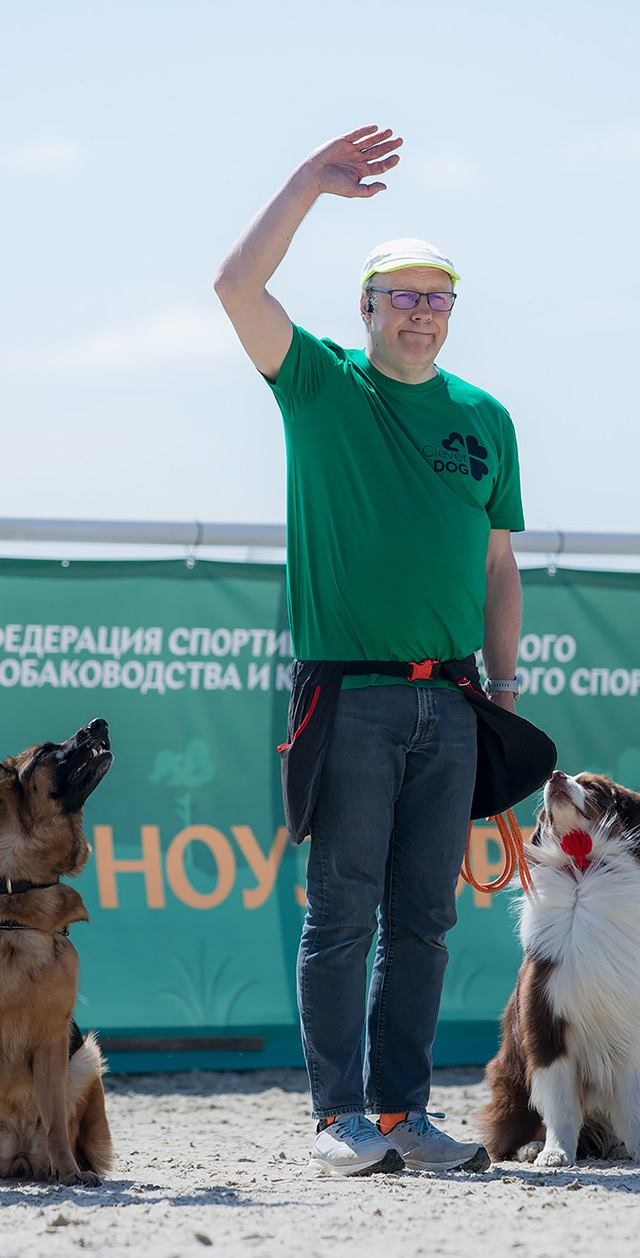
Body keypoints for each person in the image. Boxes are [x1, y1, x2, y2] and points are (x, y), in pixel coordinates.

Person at [214, 127, 525, 1175]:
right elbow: (233, 284)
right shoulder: (319, 386)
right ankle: (336, 1115)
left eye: (437, 297)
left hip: (454, 699)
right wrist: (305, 180)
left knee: (426, 919)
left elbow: (496, 569)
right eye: (400, 294)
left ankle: (400, 1113)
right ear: (366, 307)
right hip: (348, 694)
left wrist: (506, 693)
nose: (419, 310)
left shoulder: (486, 417)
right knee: (341, 907)